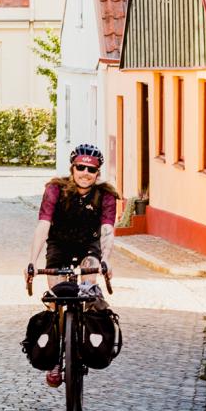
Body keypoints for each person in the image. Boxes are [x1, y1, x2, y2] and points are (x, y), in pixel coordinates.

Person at [27, 143, 121, 386]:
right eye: (80, 167)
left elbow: (107, 229)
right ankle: (57, 356)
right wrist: (31, 261)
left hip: (89, 246)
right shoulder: (55, 190)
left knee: (88, 289)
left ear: (98, 173)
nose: (85, 173)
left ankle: (85, 339)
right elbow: (43, 225)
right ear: (72, 168)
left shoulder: (106, 195)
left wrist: (105, 260)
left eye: (91, 170)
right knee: (58, 299)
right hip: (59, 245)